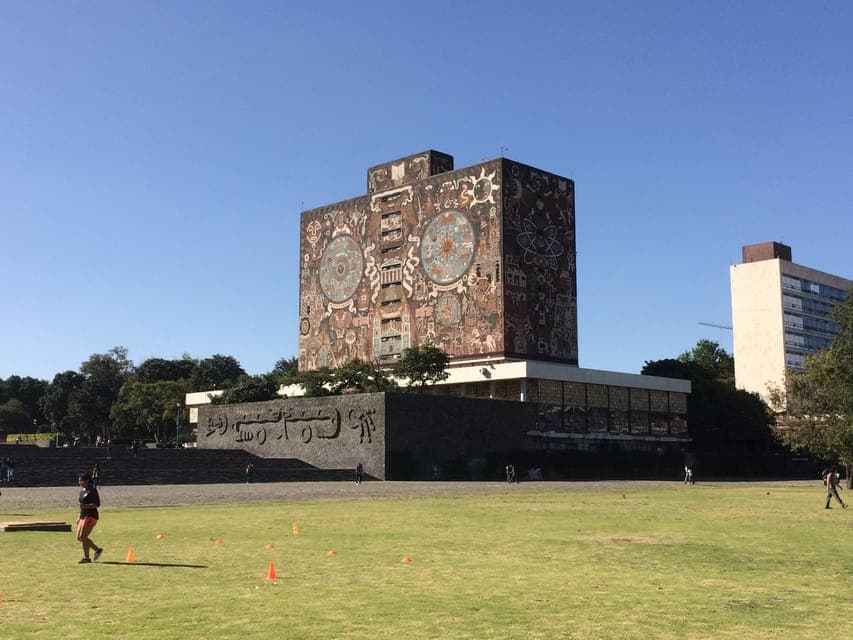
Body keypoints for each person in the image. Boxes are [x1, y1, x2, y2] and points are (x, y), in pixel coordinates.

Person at [76, 473, 103, 564]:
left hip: (91, 516)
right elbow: (81, 506)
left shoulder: (93, 490)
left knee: (83, 537)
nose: (80, 482)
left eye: (81, 481)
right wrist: (79, 516)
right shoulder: (82, 491)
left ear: (87, 481)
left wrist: (85, 506)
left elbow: (97, 504)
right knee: (79, 537)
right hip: (83, 516)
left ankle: (94, 551)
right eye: (79, 481)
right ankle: (88, 557)